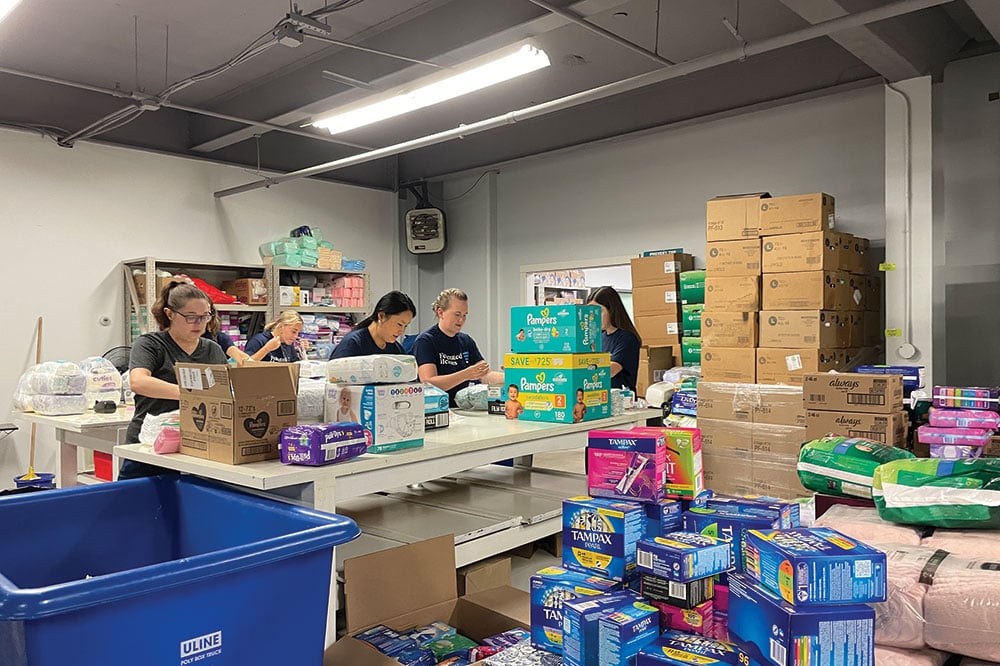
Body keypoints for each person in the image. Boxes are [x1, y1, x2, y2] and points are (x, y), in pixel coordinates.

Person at [121, 279, 228, 479]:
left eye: (204, 316)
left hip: (198, 443)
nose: (199, 323)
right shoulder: (151, 344)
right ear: (169, 314)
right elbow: (139, 381)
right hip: (151, 443)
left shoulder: (212, 349)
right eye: (190, 317)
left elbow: (226, 388)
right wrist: (191, 395)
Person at [414, 288, 504, 406]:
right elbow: (428, 382)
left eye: (464, 315)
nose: (461, 320)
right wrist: (465, 375)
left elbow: (485, 374)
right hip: (435, 408)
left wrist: (514, 376)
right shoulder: (426, 341)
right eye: (457, 314)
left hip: (461, 409)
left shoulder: (466, 341)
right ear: (440, 313)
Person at [330, 291, 416, 359]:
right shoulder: (353, 344)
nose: (402, 331)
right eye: (400, 324)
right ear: (381, 316)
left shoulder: (396, 350)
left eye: (406, 326)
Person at [586, 286, 641, 392]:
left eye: (598, 312)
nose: (593, 317)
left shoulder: (627, 338)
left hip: (622, 401)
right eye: (590, 313)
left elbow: (610, 371)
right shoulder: (599, 338)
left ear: (611, 311)